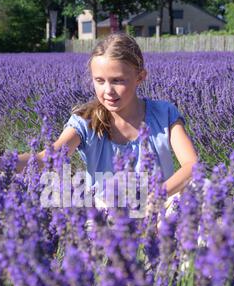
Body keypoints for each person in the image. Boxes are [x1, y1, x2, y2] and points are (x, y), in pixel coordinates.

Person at [16, 33, 198, 221]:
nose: (108, 91)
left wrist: (157, 195)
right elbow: (47, 158)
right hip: (106, 213)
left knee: (202, 189)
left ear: (140, 77)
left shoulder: (164, 114)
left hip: (158, 206)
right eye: (100, 81)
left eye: (117, 80)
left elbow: (192, 164)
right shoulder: (85, 121)